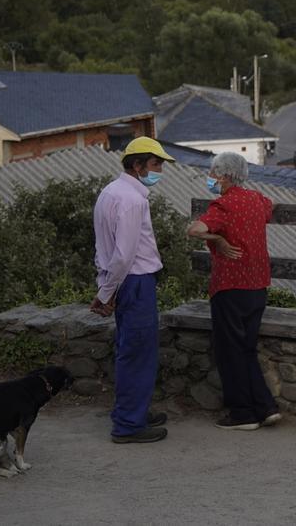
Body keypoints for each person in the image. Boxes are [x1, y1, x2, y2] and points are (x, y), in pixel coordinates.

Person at [187, 151, 281, 431]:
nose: (211, 178)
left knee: (230, 350)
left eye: (214, 174)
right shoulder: (256, 200)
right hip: (257, 284)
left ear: (225, 176)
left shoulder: (223, 206)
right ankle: (265, 406)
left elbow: (194, 230)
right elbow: (270, 205)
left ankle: (243, 413)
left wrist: (216, 238)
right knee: (247, 347)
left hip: (230, 285)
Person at [92, 136, 174, 444]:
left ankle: (132, 411)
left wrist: (105, 286)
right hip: (136, 281)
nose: (159, 171)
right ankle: (128, 423)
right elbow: (124, 254)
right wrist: (106, 292)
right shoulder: (132, 200)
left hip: (123, 280)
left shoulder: (110, 192)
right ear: (137, 165)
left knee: (130, 349)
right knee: (138, 352)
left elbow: (105, 248)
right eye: (155, 165)